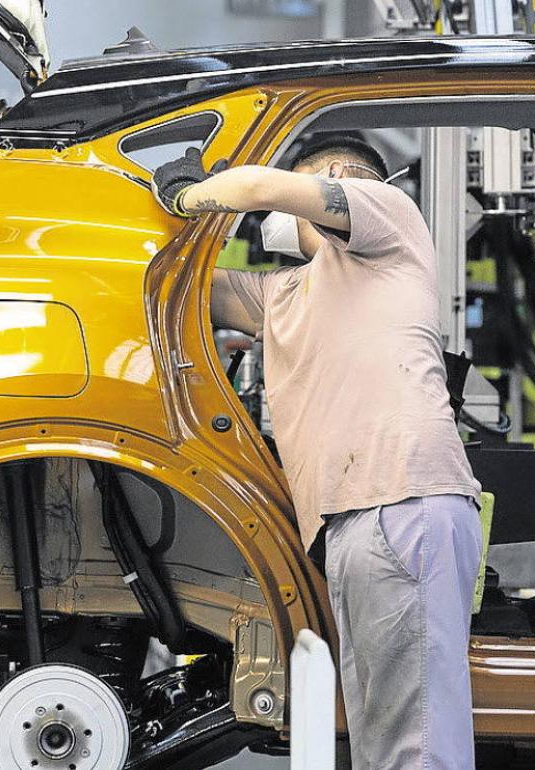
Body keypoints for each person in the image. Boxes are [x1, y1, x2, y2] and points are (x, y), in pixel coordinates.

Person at [150, 135, 483, 770]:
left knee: (414, 746)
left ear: (332, 180)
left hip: (402, 501)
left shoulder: (388, 217)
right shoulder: (286, 294)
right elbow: (184, 287)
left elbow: (254, 190)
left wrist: (192, 195)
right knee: (385, 736)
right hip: (361, 519)